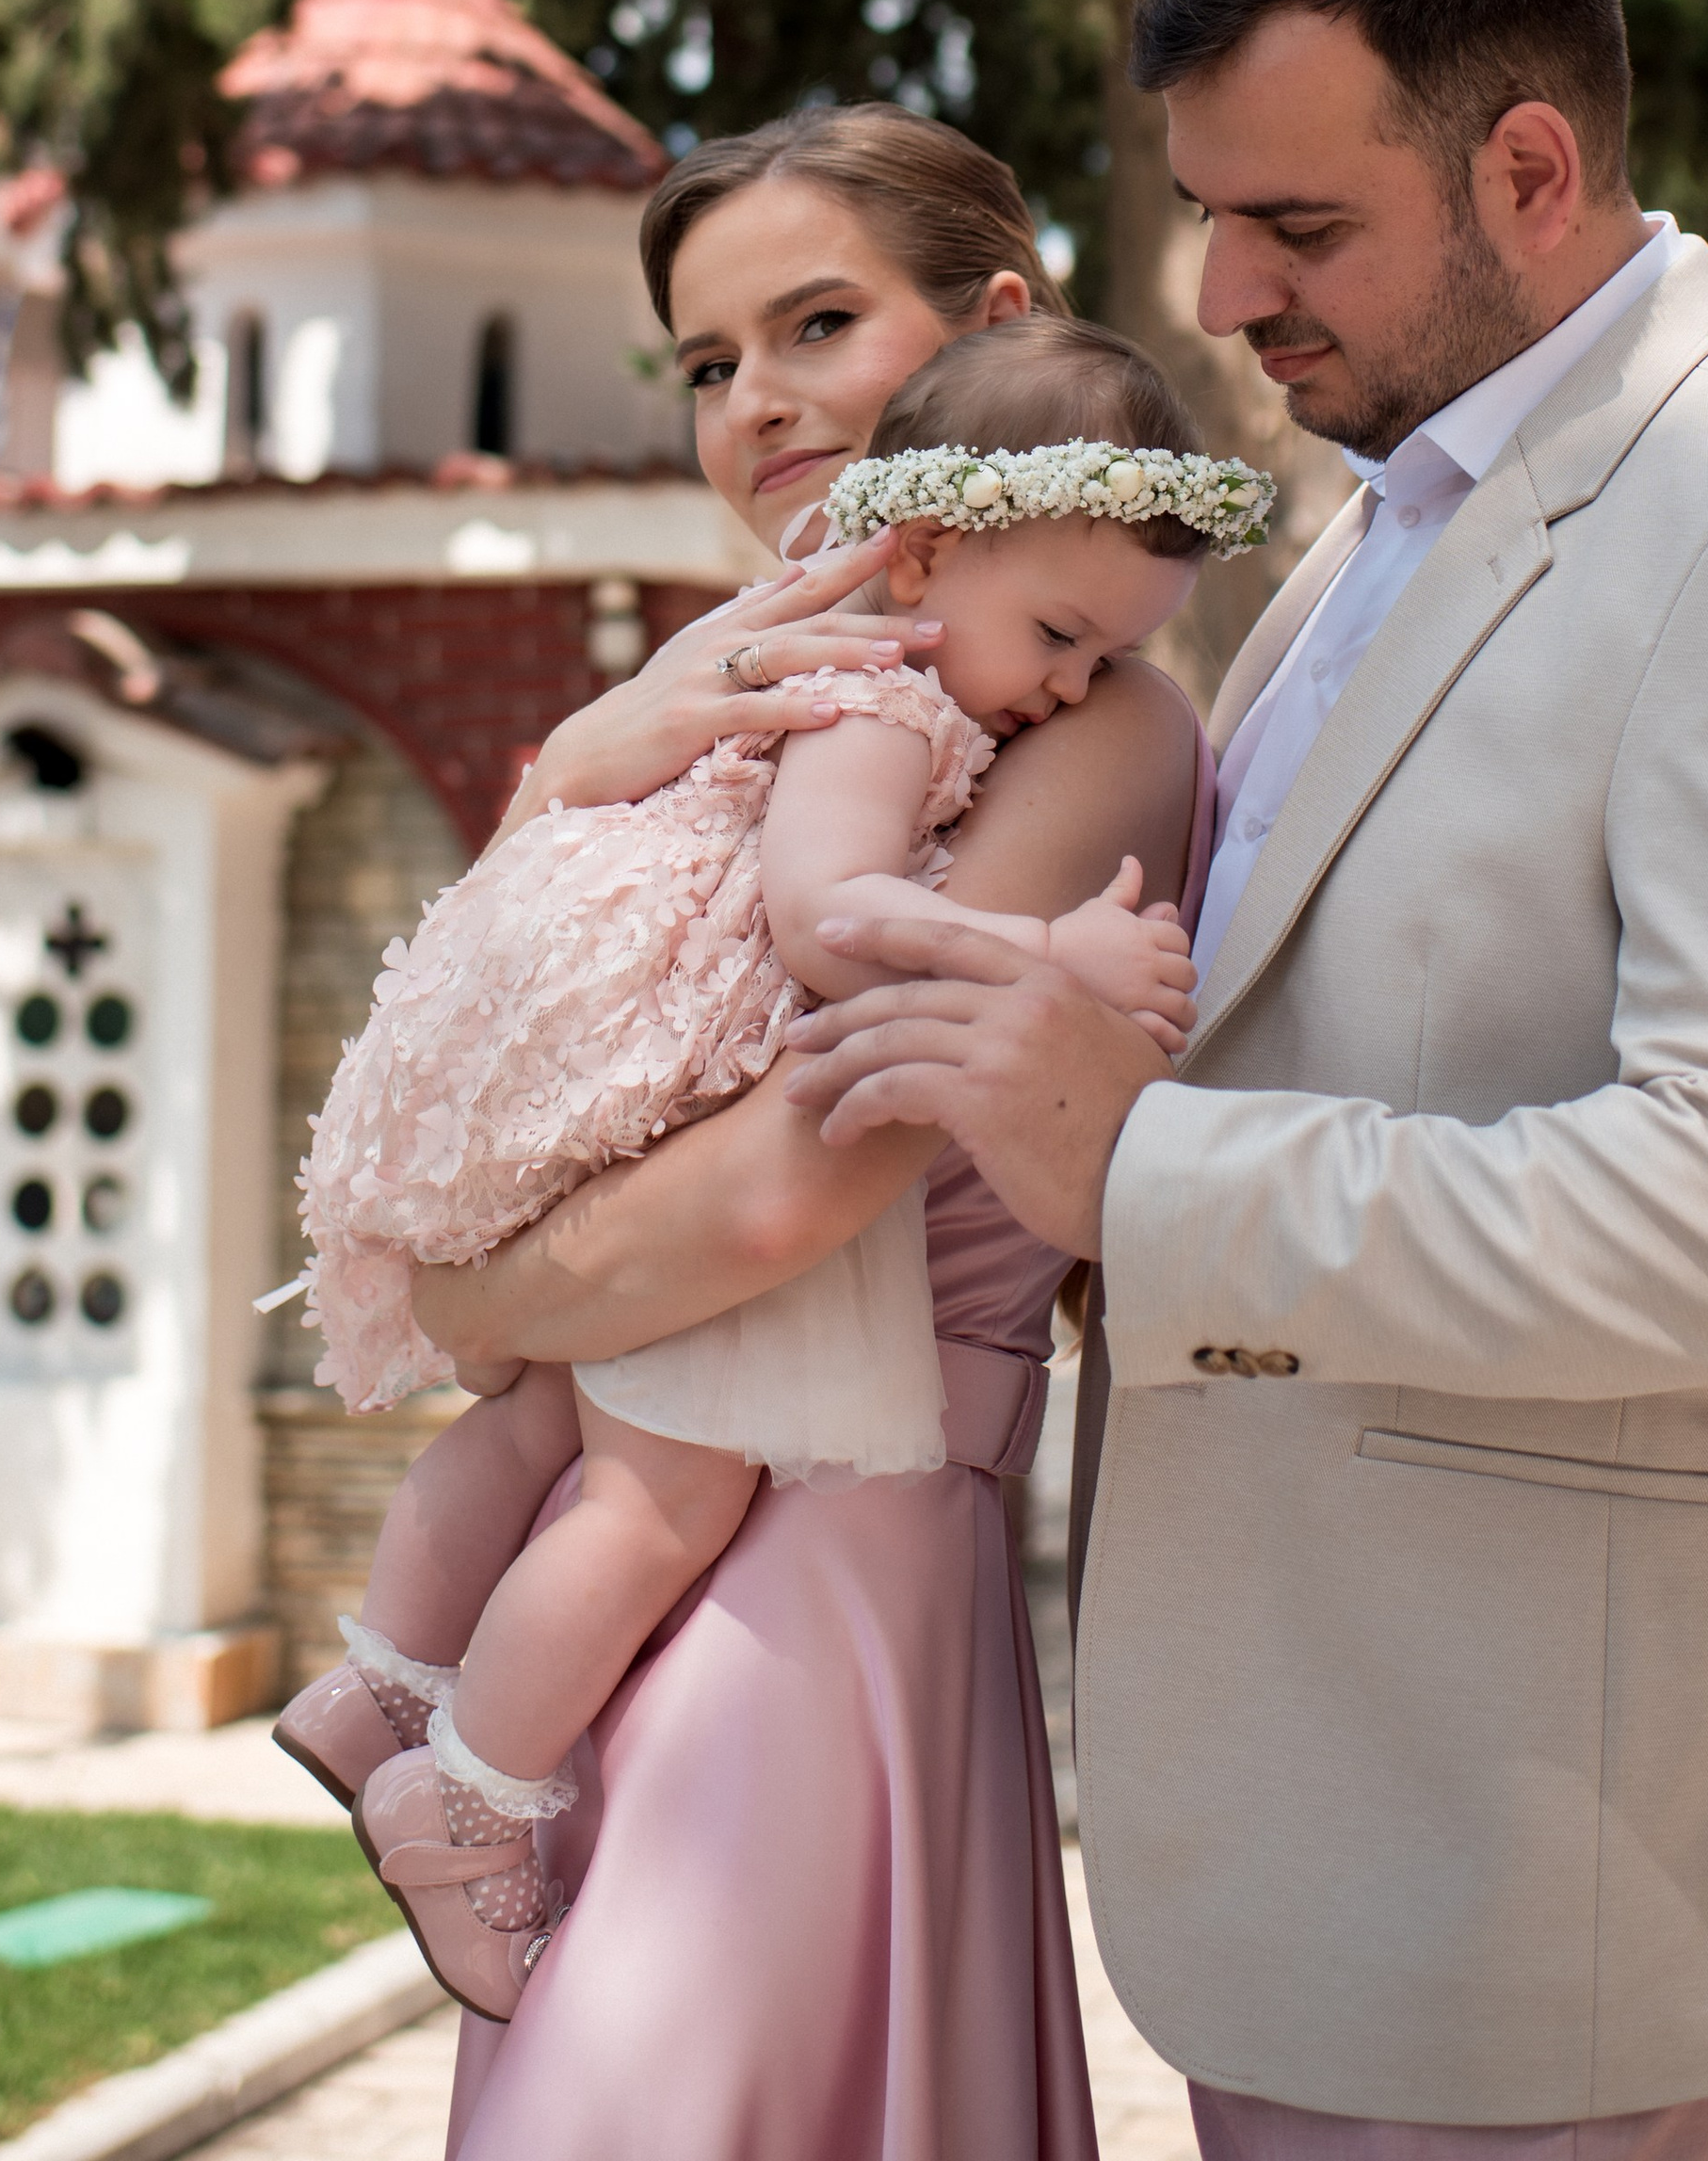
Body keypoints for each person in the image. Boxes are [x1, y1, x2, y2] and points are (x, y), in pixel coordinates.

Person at [787, 0, 1708, 2161]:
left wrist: (1136, 1172)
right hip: (1324, 1839)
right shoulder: (1395, 496)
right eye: (1210, 208)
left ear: (1527, 168)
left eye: (1300, 222)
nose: (1223, 290)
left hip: (1539, 1898)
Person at [286, 105, 1213, 2161]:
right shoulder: (749, 677)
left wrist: (463, 1283)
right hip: (631, 1532)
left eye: (813, 321)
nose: (757, 399)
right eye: (708, 362)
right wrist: (579, 766)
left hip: (830, 1555)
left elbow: (803, 1167)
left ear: (992, 331)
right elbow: (514, 1022)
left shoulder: (1094, 714)